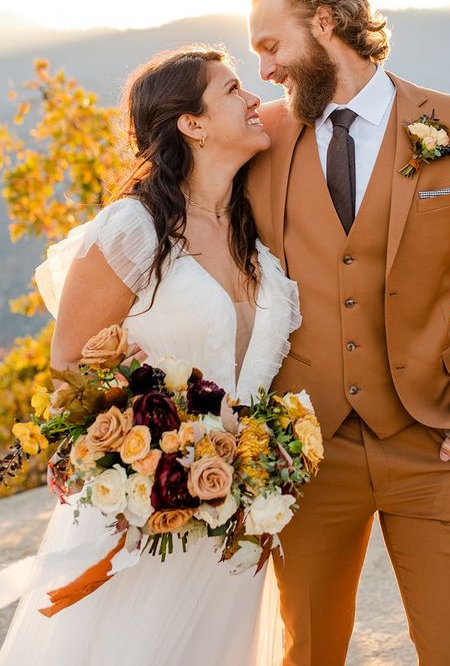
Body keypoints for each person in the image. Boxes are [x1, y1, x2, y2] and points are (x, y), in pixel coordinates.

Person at [247, 0, 450, 666]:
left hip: (433, 438)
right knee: (308, 653)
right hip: (306, 450)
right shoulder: (262, 140)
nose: (266, 72)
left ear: (325, 20)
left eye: (272, 46)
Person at [0, 47, 299, 665]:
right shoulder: (133, 228)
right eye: (233, 89)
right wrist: (150, 455)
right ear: (192, 124)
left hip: (235, 516)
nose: (253, 100)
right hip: (140, 514)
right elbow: (71, 365)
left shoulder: (259, 236)